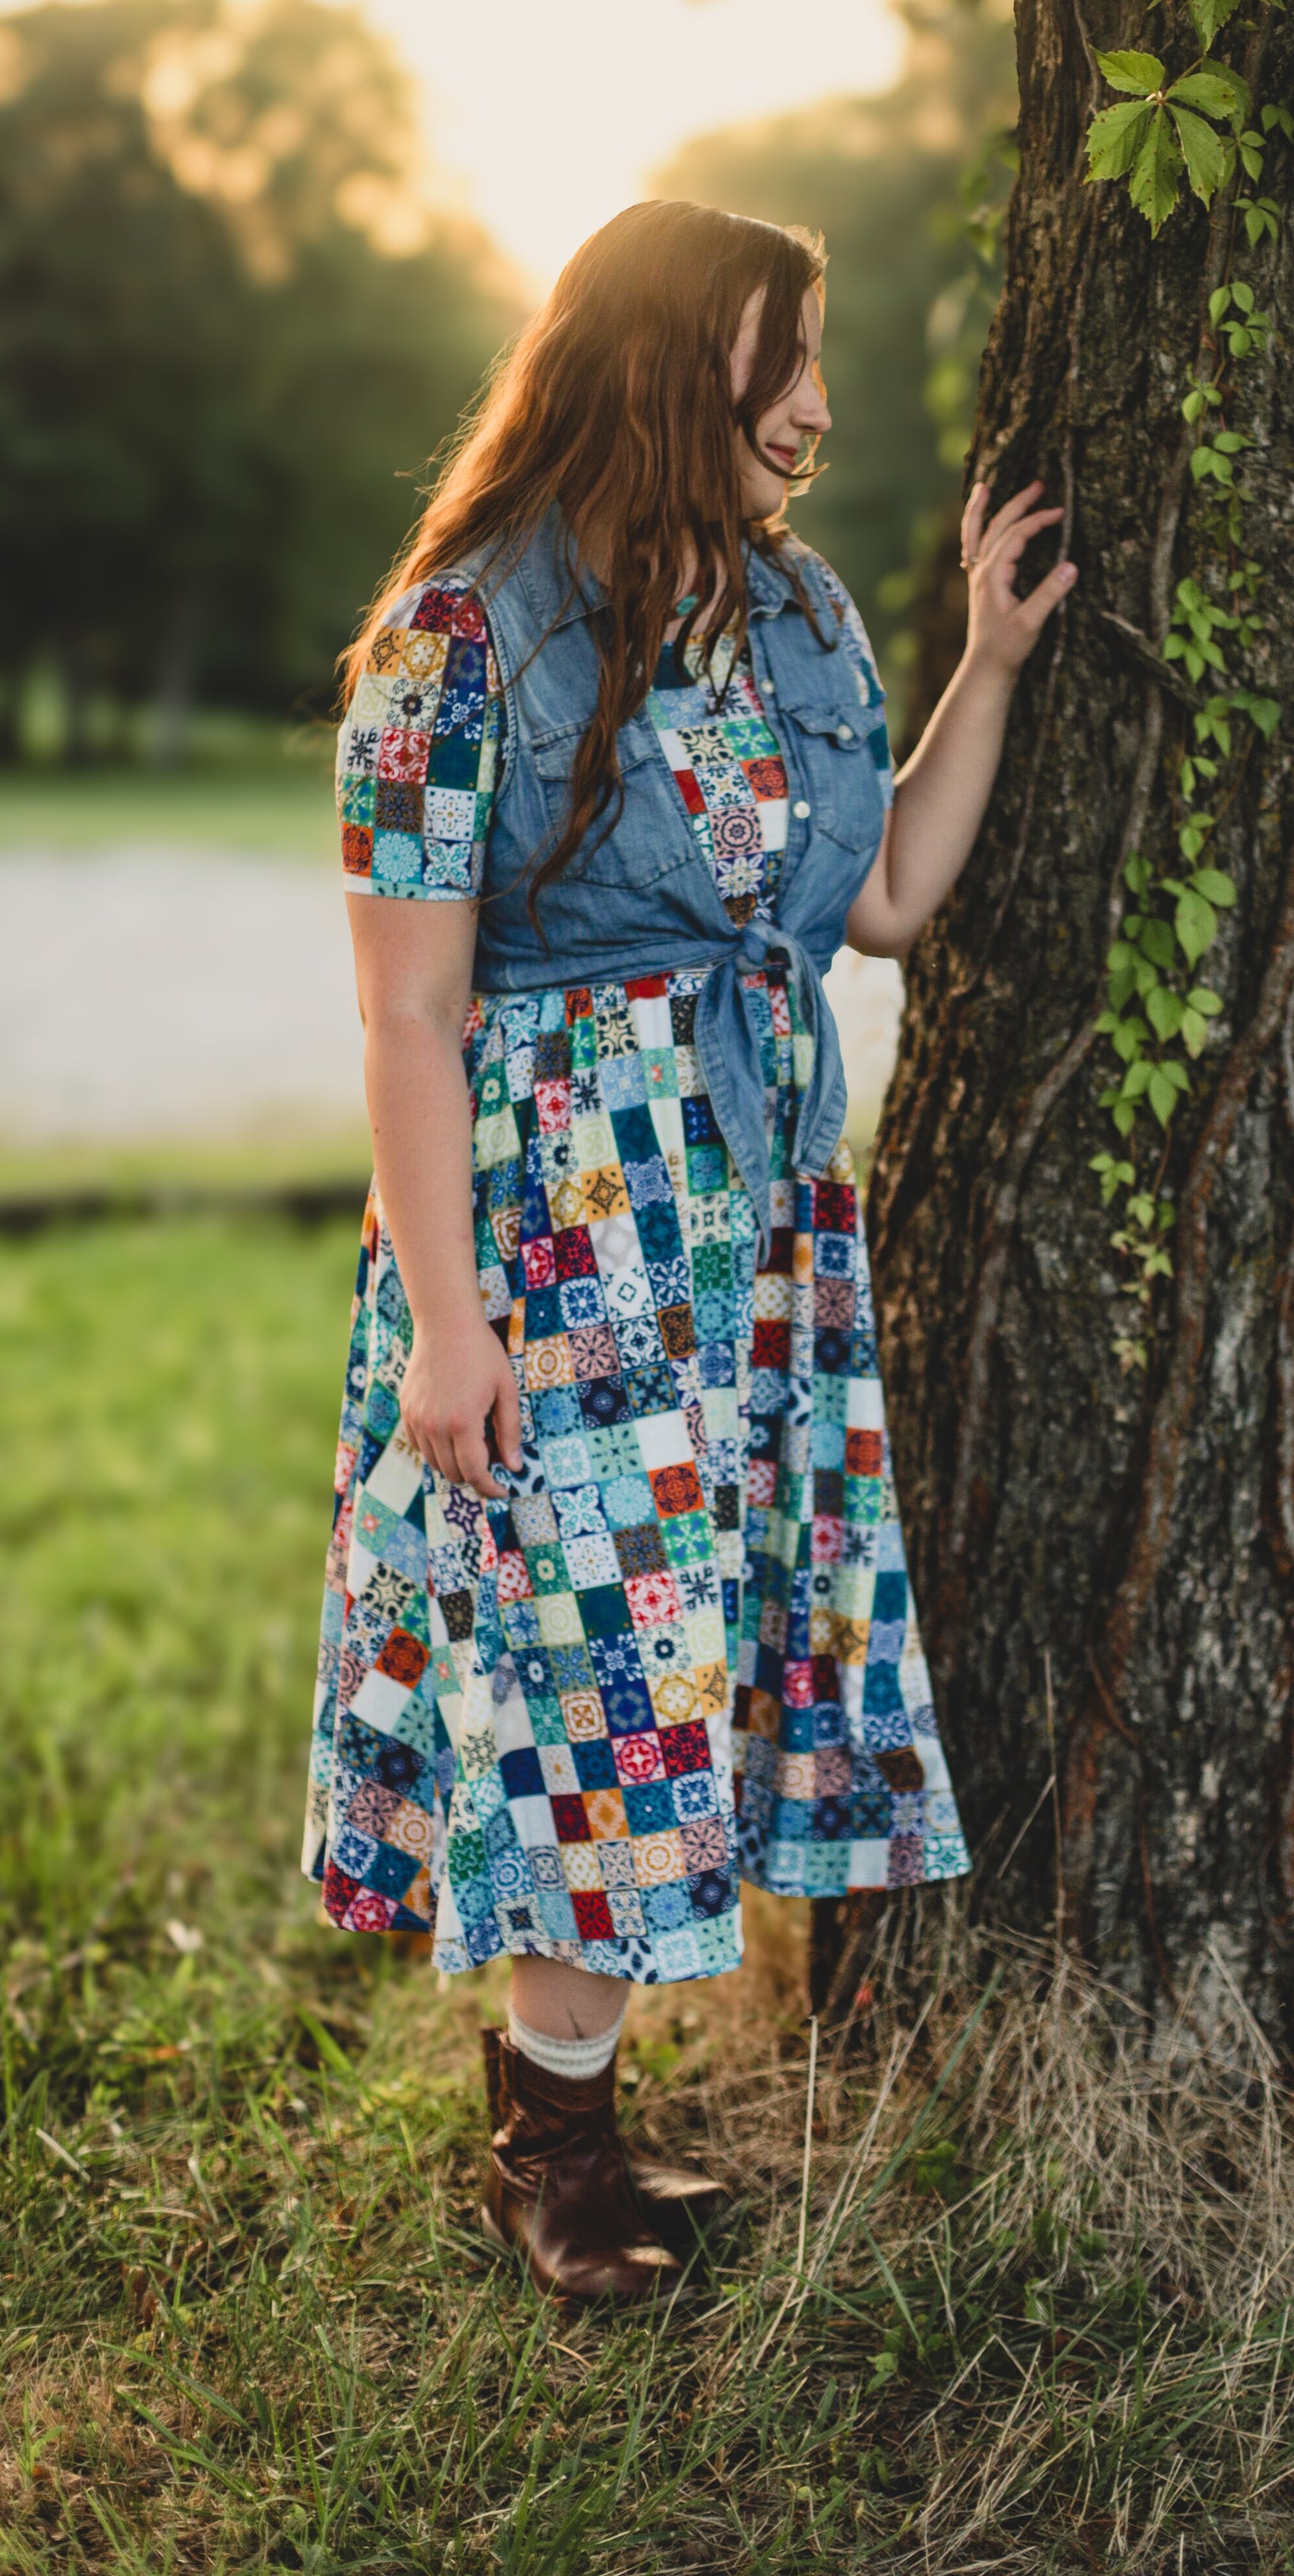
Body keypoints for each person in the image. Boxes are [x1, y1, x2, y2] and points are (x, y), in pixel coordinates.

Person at [300, 198, 1076, 2303]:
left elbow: (889, 897)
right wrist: (448, 1325)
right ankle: (553, 2152)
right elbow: (402, 1014)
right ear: (659, 365)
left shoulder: (798, 620)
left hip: (751, 1243)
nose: (814, 404)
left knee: (685, 1676)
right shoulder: (452, 641)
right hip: (557, 1251)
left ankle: (575, 2113)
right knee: (595, 1685)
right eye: (779, 360)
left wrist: (989, 668)